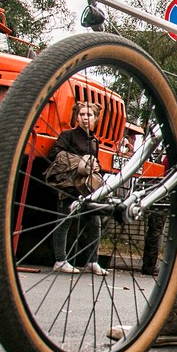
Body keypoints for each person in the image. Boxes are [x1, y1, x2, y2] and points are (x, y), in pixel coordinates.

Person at [47, 101, 107, 276]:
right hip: (69, 183)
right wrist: (78, 162)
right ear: (76, 117)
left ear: (95, 118)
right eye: (81, 115)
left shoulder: (95, 141)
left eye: (89, 115)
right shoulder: (68, 135)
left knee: (95, 222)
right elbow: (54, 154)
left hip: (86, 187)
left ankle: (92, 262)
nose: (85, 118)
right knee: (65, 220)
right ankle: (60, 260)